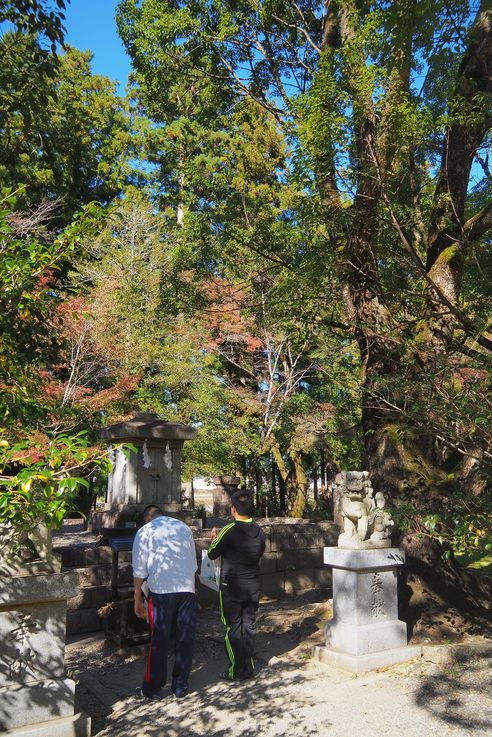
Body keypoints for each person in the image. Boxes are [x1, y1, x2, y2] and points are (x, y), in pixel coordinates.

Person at [132, 504, 197, 700]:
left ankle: (152, 688)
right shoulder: (184, 528)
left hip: (161, 591)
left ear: (146, 519)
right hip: (187, 588)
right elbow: (193, 563)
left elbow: (139, 570)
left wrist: (137, 598)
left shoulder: (145, 531)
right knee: (185, 638)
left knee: (159, 638)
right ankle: (180, 685)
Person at [208, 490, 266, 681]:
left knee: (233, 627)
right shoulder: (259, 532)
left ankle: (235, 670)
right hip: (252, 585)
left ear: (233, 509)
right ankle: (248, 668)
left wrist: (214, 538)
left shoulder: (229, 530)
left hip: (231, 586)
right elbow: (259, 553)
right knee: (248, 625)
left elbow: (212, 553)